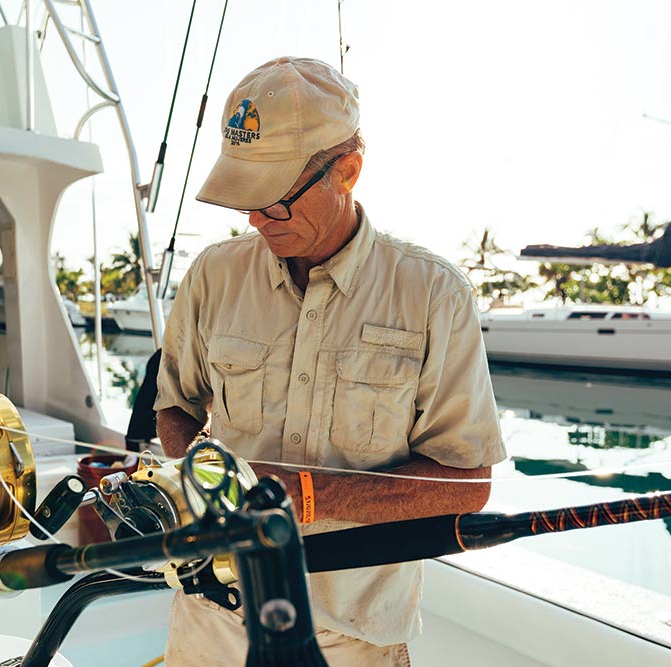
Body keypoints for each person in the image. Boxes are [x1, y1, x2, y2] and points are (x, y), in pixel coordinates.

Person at [154, 56, 506, 667]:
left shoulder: (433, 294)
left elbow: (468, 484)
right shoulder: (211, 275)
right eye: (245, 198)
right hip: (211, 612)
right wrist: (204, 482)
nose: (257, 218)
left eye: (275, 200)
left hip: (354, 634)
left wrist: (309, 496)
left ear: (347, 171)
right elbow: (174, 410)